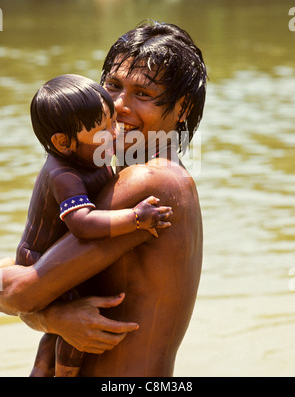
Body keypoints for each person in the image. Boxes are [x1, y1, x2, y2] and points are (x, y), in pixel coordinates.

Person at [0, 20, 207, 377]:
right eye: (112, 85)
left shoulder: (147, 182)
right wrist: (55, 318)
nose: (119, 106)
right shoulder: (159, 176)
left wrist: (48, 314)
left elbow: (19, 292)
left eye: (142, 94)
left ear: (183, 107)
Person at [14, 74, 173, 377]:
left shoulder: (91, 157)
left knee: (57, 331)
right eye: (103, 131)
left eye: (113, 122)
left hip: (59, 255)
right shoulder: (64, 174)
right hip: (40, 258)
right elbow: (83, 224)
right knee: (78, 323)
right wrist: (136, 218)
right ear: (63, 142)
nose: (114, 134)